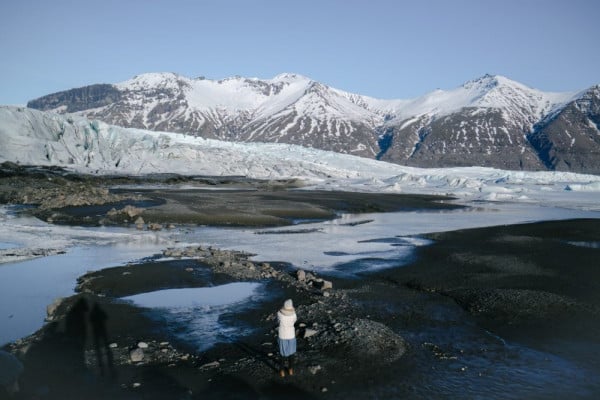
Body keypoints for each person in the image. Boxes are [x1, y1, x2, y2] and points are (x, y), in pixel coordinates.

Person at [277, 299, 297, 377]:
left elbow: (278, 321)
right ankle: (290, 370)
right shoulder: (294, 314)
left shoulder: (279, 314)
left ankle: (282, 371)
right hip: (291, 335)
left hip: (282, 335)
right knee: (291, 354)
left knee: (282, 355)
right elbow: (294, 321)